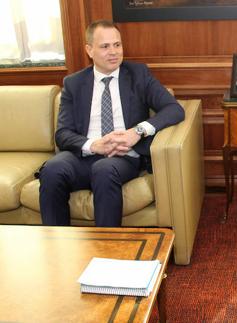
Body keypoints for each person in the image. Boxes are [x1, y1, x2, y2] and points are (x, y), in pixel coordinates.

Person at [38, 20, 184, 227]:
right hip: (84, 156)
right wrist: (94, 145)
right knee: (52, 169)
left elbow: (174, 109)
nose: (113, 52)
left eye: (117, 45)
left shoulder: (138, 75)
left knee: (104, 170)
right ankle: (58, 246)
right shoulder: (74, 83)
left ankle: (108, 251)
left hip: (123, 157)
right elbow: (62, 134)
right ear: (89, 50)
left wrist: (138, 131)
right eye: (105, 46)